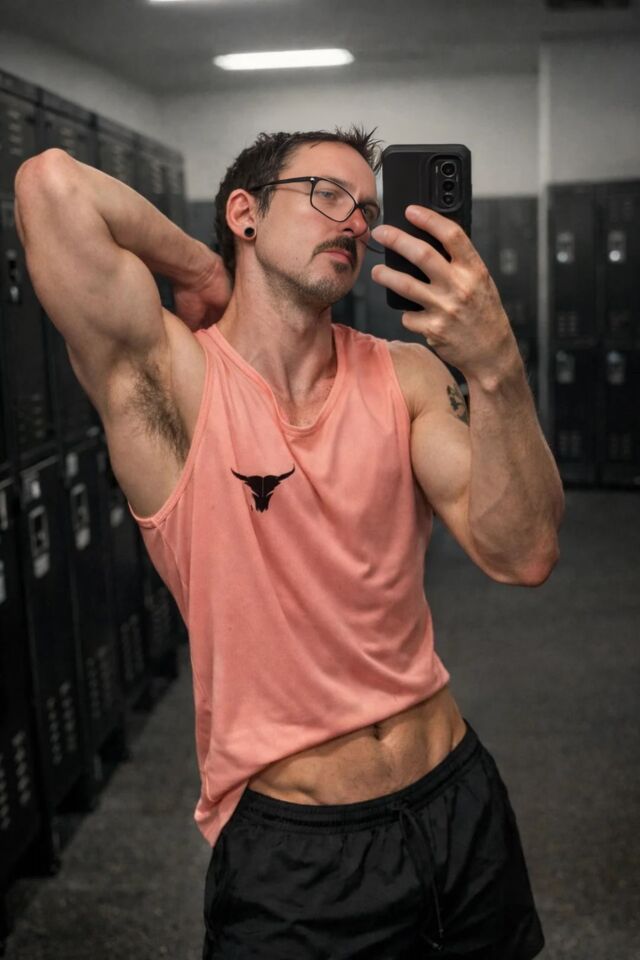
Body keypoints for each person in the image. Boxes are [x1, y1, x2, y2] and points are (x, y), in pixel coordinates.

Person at [15, 125, 564, 960]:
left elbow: (522, 553)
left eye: (368, 208)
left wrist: (497, 369)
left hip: (459, 801)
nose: (355, 222)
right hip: (298, 857)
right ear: (246, 213)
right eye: (326, 194)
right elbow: (50, 185)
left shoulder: (407, 376)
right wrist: (201, 273)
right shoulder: (173, 381)